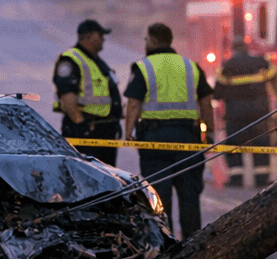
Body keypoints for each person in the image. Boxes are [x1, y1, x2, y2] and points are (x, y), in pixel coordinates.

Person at [123, 22, 212, 237]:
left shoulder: (143, 67)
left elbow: (134, 103)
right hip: (188, 138)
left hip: (155, 139)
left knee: (158, 198)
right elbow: (207, 102)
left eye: (146, 40)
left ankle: (165, 246)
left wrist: (128, 132)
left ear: (153, 41)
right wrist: (209, 133)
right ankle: (193, 245)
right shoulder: (191, 66)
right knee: (189, 196)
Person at [213, 39, 277, 188]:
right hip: (259, 113)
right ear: (246, 50)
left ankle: (236, 179)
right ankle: (261, 179)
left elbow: (217, 93)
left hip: (235, 114)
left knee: (234, 145)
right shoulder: (262, 63)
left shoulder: (226, 66)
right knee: (261, 144)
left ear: (234, 50)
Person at [52, 19, 122, 166]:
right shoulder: (71, 60)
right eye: (100, 35)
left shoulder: (95, 60)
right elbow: (67, 96)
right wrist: (81, 127)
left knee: (107, 180)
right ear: (88, 37)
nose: (103, 39)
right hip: (86, 133)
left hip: (104, 132)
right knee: (90, 180)